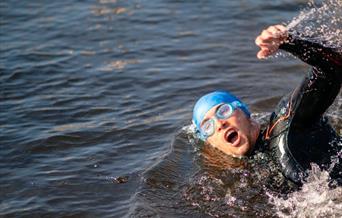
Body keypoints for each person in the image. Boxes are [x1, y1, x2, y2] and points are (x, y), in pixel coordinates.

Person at [192, 24, 341, 185]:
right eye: (208, 126)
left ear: (244, 112)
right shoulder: (245, 176)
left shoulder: (285, 123)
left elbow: (333, 65)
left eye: (223, 110)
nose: (220, 123)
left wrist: (289, 40)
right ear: (212, 144)